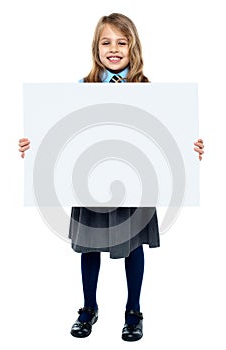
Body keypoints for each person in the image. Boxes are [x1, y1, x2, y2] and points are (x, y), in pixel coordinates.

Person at [18, 13, 204, 342]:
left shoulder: (149, 92)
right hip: (90, 183)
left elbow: (165, 136)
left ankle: (133, 311)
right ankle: (89, 307)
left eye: (122, 42)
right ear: (96, 49)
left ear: (133, 48)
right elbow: (60, 131)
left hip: (135, 185)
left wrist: (190, 147)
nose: (114, 49)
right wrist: (33, 145)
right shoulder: (81, 89)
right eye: (107, 42)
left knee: (133, 248)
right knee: (89, 247)